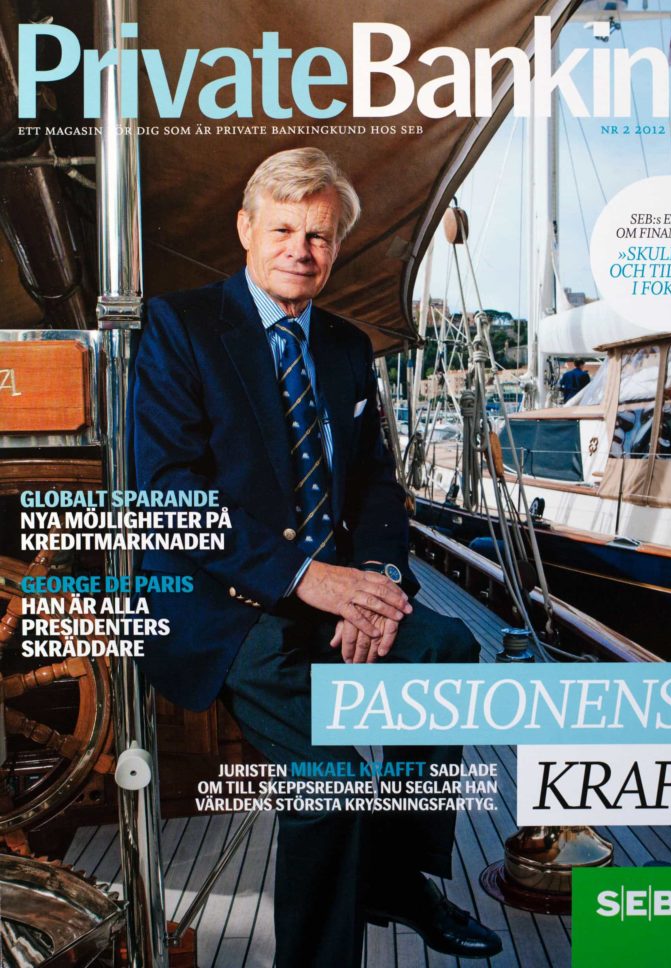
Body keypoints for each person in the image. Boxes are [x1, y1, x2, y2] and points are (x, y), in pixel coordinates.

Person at [130, 147, 502, 967]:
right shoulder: (180, 327)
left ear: (336, 247)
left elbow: (372, 487)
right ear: (246, 230)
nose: (302, 249)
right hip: (227, 602)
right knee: (329, 787)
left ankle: (396, 881)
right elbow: (167, 494)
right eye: (285, 229)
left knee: (443, 649)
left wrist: (375, 583)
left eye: (321, 236)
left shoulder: (342, 346)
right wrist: (309, 578)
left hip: (336, 589)